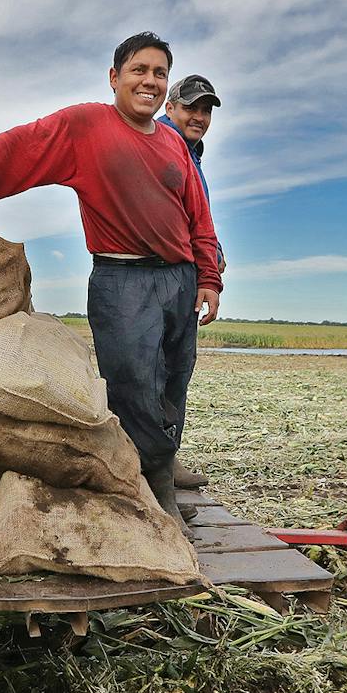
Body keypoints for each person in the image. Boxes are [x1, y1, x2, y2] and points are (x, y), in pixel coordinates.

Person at [0, 32, 223, 531]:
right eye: (138, 70)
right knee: (133, 386)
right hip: (122, 279)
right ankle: (153, 497)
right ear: (115, 77)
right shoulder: (87, 125)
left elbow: (199, 216)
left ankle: (157, 481)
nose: (148, 80)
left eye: (158, 73)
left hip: (180, 279)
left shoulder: (173, 144)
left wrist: (208, 278)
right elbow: (24, 146)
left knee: (173, 383)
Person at [157, 74, 225, 490]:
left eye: (205, 110)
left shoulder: (191, 152)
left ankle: (167, 458)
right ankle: (155, 466)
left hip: (186, 274)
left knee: (177, 371)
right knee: (159, 372)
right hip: (163, 274)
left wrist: (212, 262)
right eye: (190, 108)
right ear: (170, 108)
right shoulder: (163, 142)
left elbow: (198, 216)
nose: (198, 116)